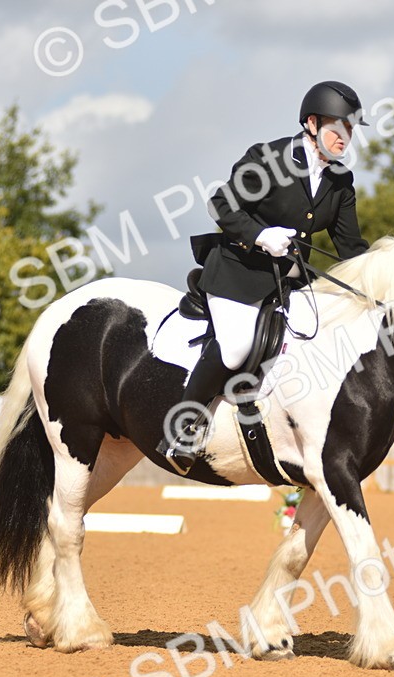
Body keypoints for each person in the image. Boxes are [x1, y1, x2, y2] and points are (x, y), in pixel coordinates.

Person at [158, 80, 372, 474]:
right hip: (237, 274)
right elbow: (221, 203)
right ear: (312, 123)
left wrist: (382, 285)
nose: (346, 137)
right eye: (339, 127)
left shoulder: (341, 182)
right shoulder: (269, 158)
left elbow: (351, 248)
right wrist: (260, 236)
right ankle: (182, 429)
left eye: (351, 129)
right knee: (237, 347)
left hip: (289, 284)